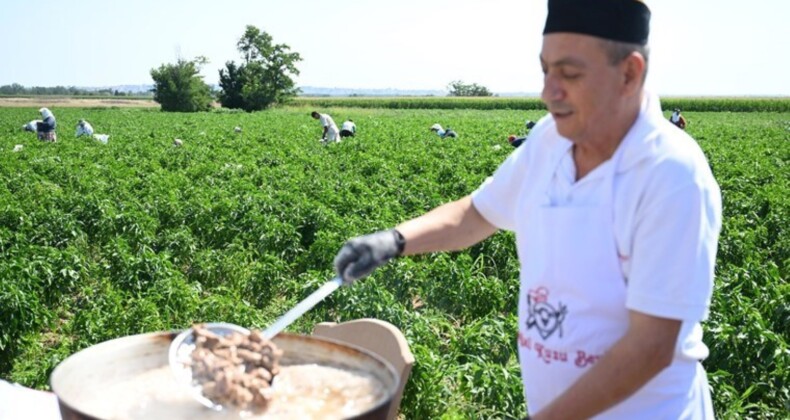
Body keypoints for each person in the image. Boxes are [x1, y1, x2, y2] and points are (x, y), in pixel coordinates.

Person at [332, 1, 721, 418]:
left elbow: (650, 347)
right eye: (545, 70)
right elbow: (478, 214)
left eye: (569, 74)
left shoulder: (670, 175)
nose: (548, 92)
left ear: (629, 73)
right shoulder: (550, 142)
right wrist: (393, 240)